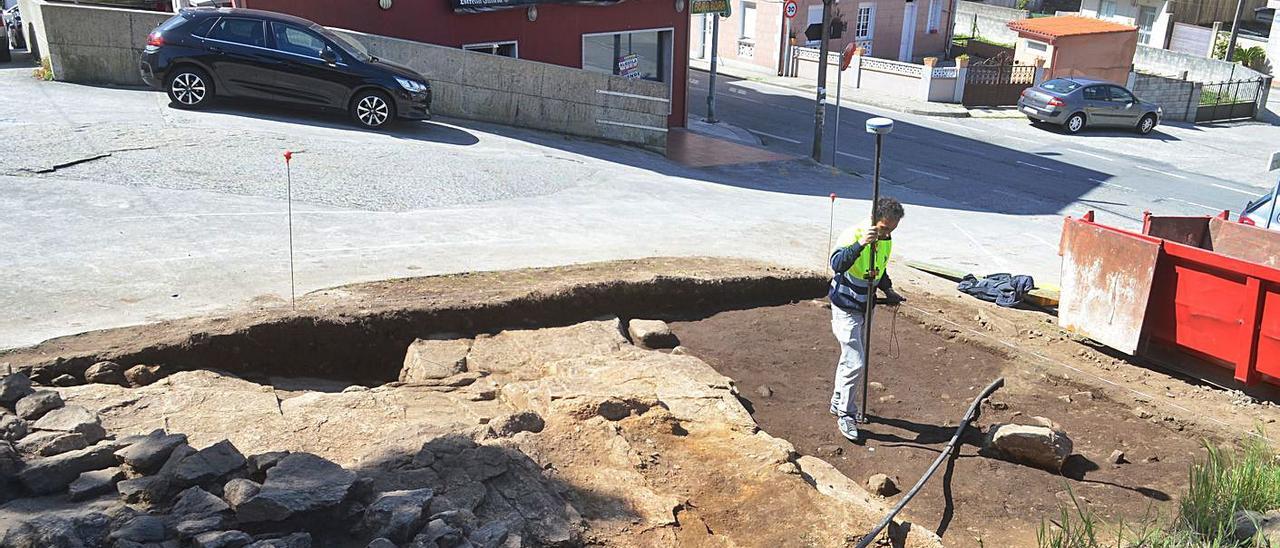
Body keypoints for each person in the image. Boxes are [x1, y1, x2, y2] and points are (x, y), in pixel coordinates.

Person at [828, 197, 906, 441]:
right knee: (855, 361)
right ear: (874, 219)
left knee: (851, 356)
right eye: (884, 228)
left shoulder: (885, 238)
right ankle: (846, 414)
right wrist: (861, 243)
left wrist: (889, 290)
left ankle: (838, 400)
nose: (887, 234)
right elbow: (837, 264)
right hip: (846, 305)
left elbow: (879, 268)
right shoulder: (855, 234)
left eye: (892, 229)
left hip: (866, 304)